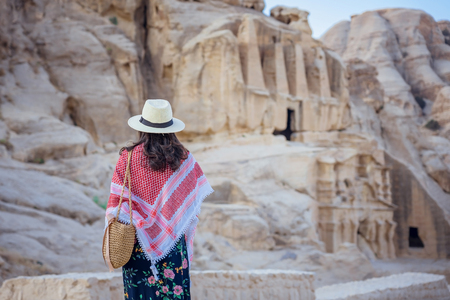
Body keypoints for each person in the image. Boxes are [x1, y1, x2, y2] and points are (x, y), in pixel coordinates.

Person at [105, 99, 213, 300]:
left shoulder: (128, 158)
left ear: (142, 127)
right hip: (172, 243)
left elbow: (116, 205)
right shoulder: (184, 159)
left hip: (136, 244)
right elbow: (192, 203)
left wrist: (141, 219)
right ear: (170, 127)